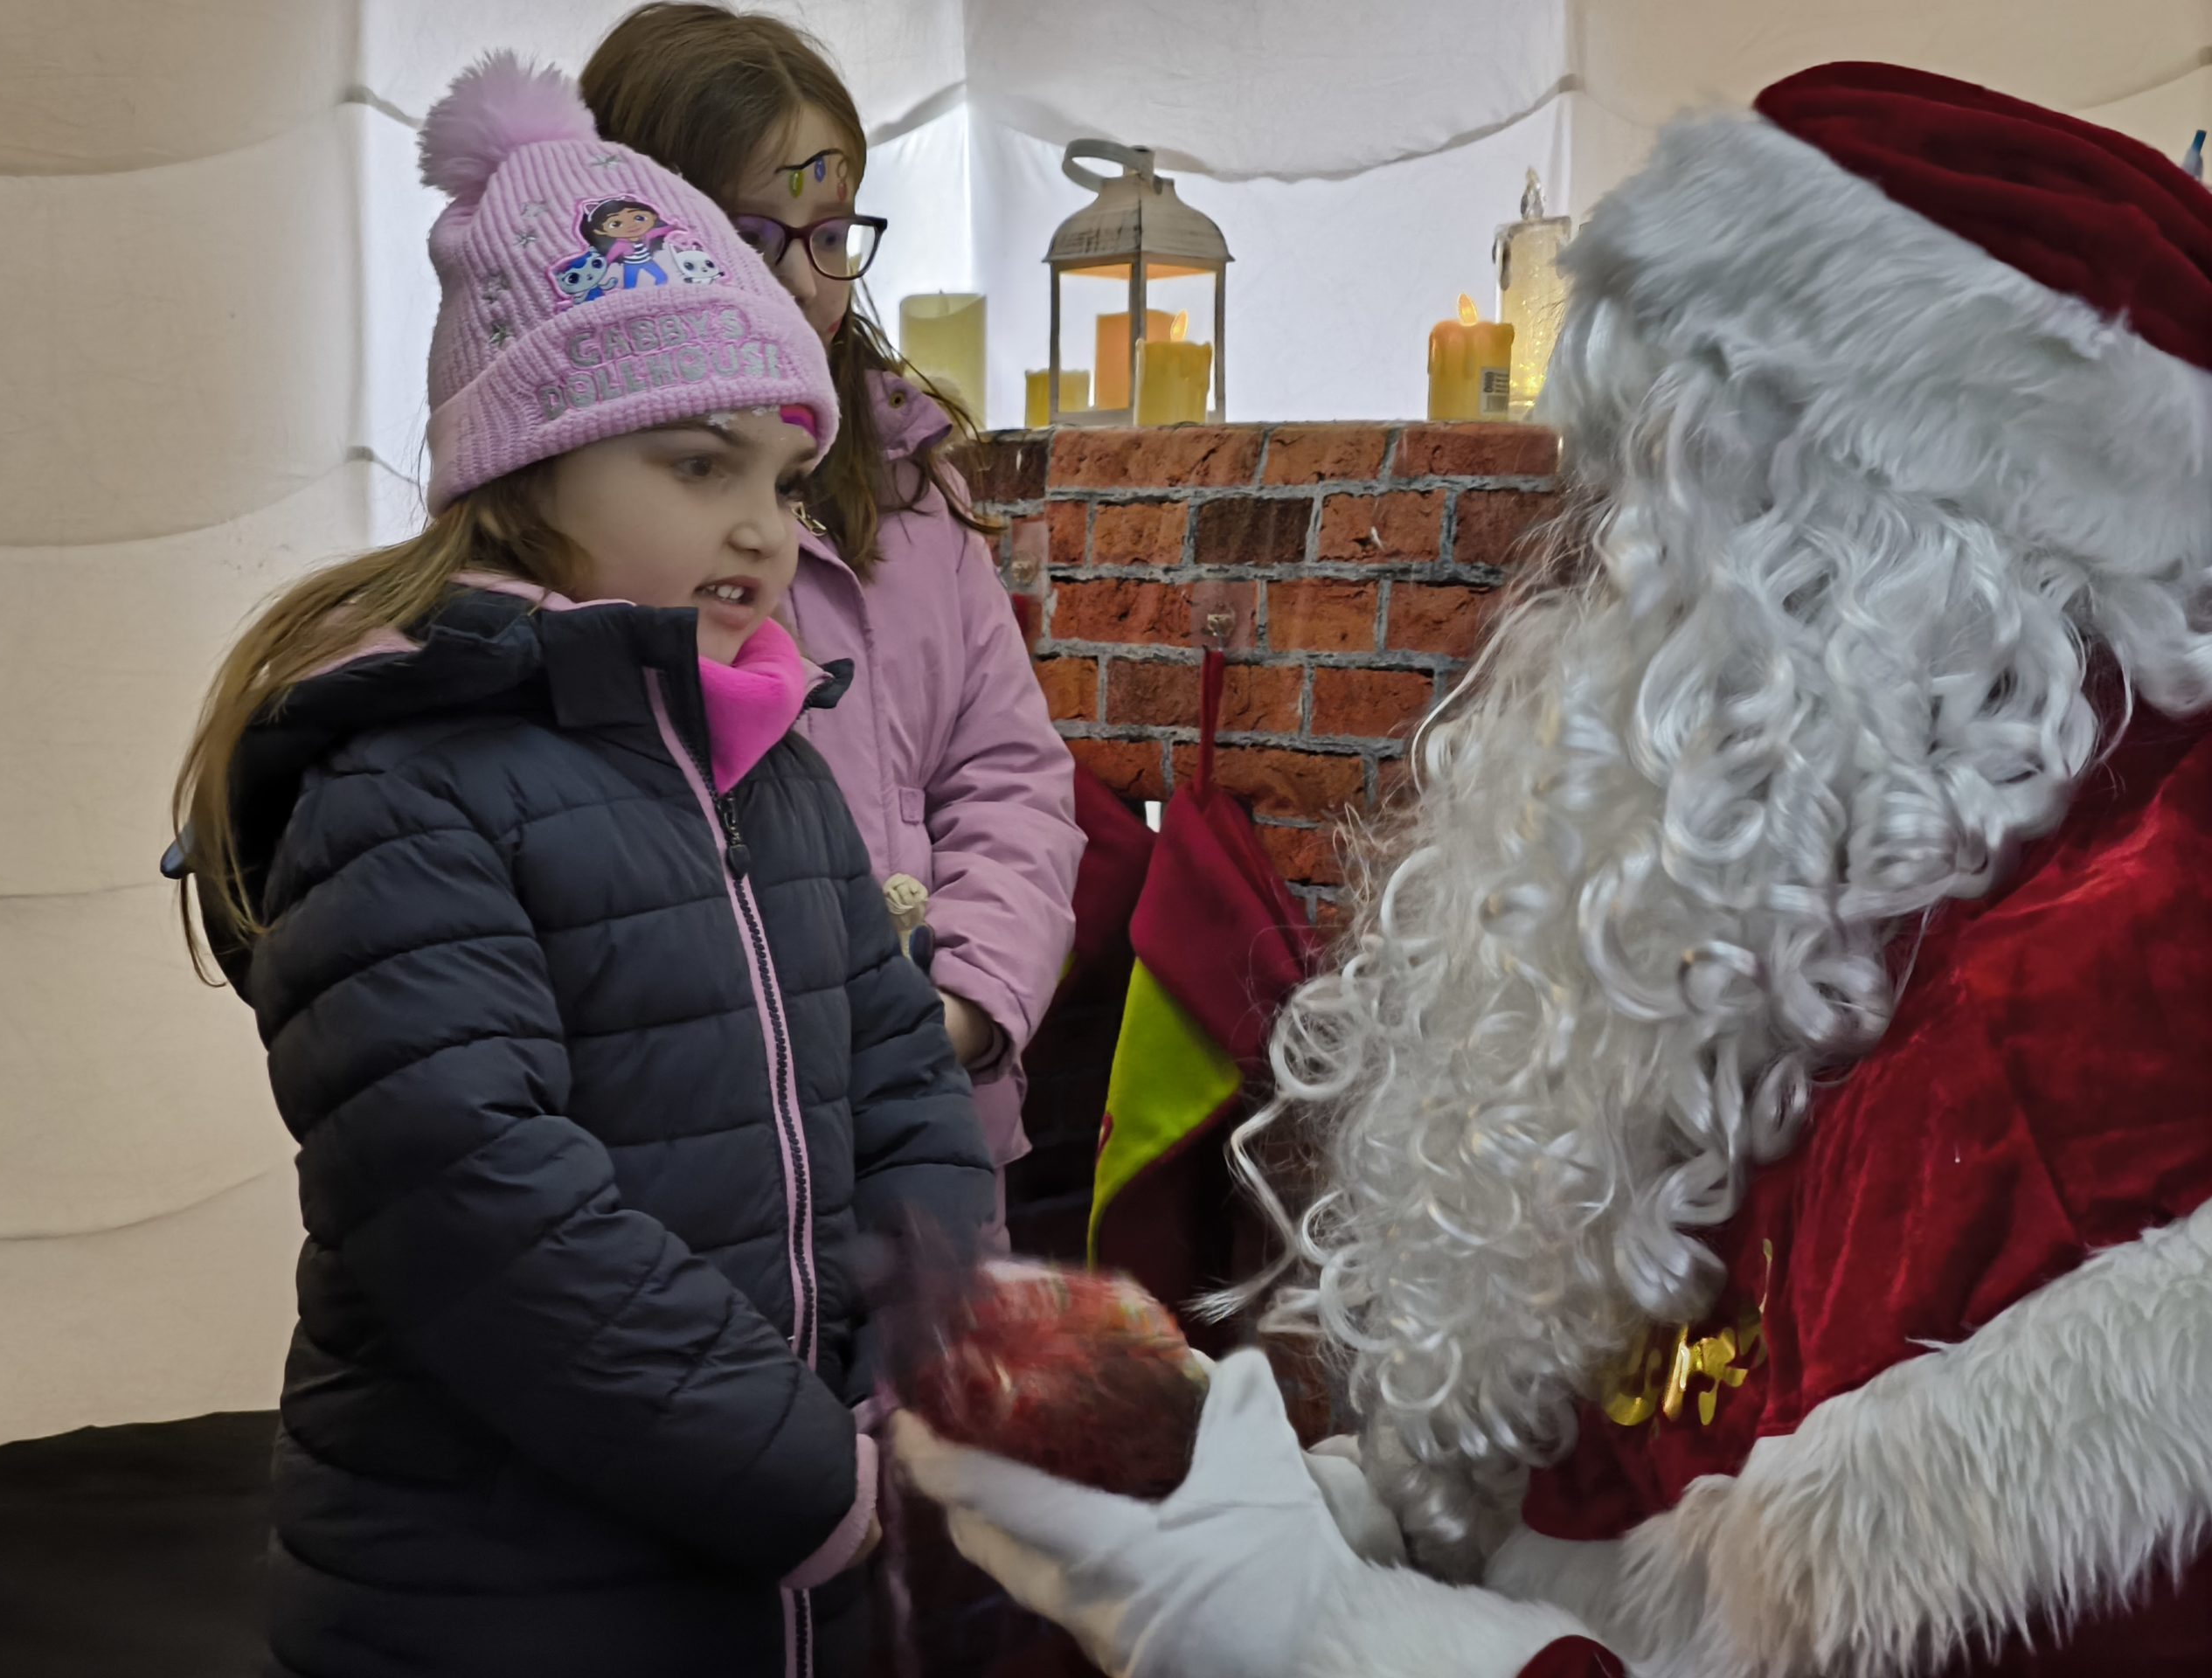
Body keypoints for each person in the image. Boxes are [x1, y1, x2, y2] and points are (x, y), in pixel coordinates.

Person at [895, 61, 2212, 1676]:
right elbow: (1631, 1452)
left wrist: (1312, 1625)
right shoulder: (1828, 885)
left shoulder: (2110, 1032)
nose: (1626, 585)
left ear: (1934, 532)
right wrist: (1331, 1521)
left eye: (1707, 502)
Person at [167, 54, 992, 1678]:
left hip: (775, 1595)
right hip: (503, 1603)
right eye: (698, 466)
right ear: (530, 469)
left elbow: (907, 1088)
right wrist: (811, 1481)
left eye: (779, 478)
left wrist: (921, 1367)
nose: (764, 529)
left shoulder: (775, 775)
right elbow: (487, 1213)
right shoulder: (409, 785)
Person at [582, 5, 1084, 1243]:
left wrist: (964, 1005)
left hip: (935, 1137)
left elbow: (1009, 773)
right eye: (753, 237)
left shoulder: (911, 485)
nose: (807, 283)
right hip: (710, 1164)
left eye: (829, 234)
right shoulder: (594, 504)